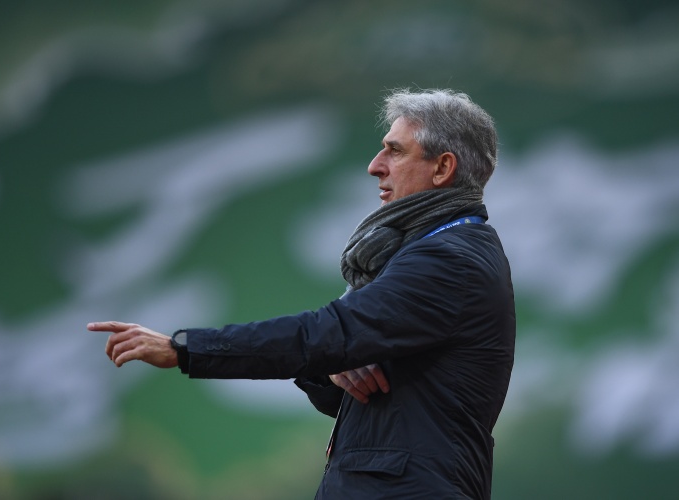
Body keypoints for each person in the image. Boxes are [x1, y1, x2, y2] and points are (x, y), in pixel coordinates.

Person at [88, 88, 515, 499]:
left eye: (395, 150)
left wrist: (184, 349)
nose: (375, 165)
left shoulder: (449, 258)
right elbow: (360, 394)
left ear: (442, 168)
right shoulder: (431, 253)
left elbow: (328, 334)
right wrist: (331, 368)